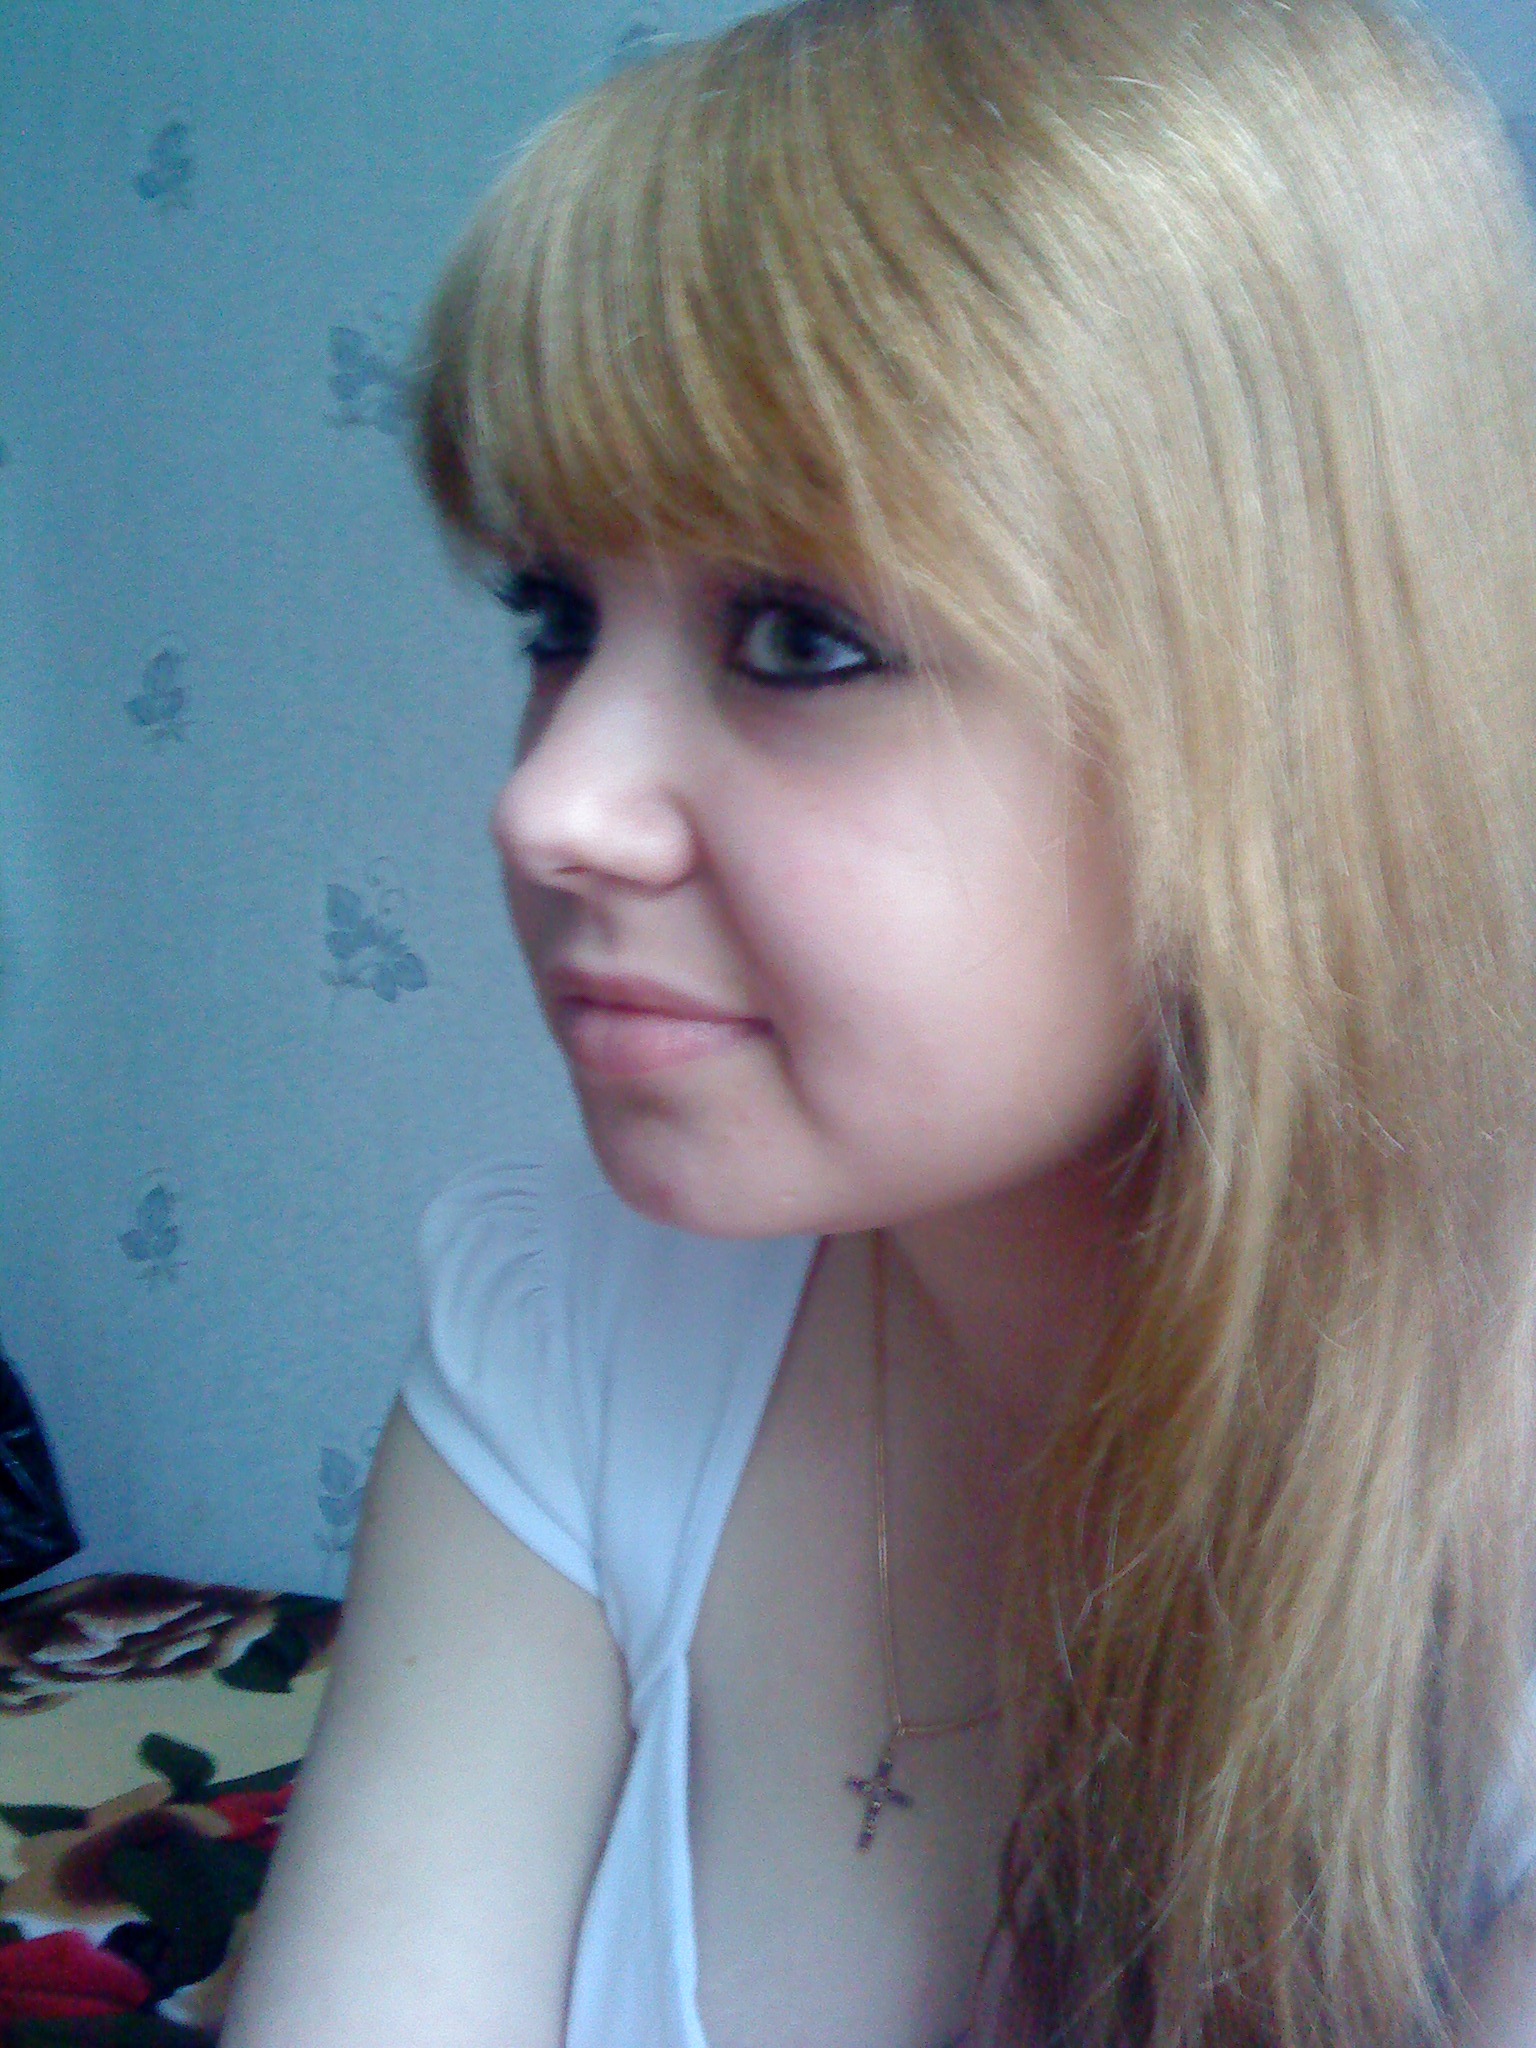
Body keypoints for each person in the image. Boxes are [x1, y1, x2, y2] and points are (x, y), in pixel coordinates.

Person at [220, 0, 1536, 2041]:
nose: (549, 804)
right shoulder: (569, 1324)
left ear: (1297, 718)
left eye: (802, 635)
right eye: (557, 620)